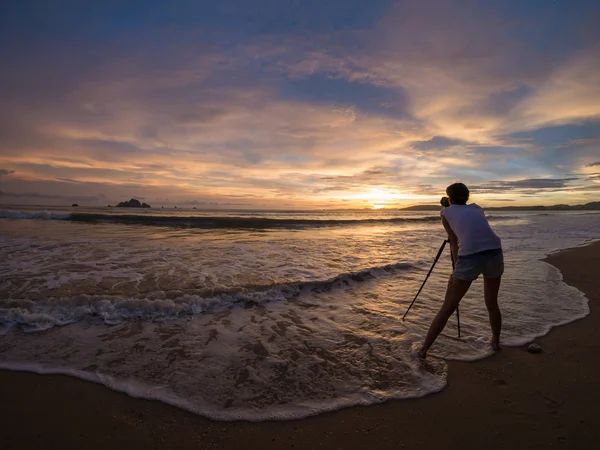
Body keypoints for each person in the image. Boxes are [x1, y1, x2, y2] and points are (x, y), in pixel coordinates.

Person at [417, 182, 503, 358]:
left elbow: (454, 241)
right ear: (468, 196)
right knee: (491, 303)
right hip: (495, 251)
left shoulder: (445, 212)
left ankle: (423, 349)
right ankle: (495, 341)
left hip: (470, 257)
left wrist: (456, 269)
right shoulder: (477, 208)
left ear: (449, 197)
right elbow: (467, 220)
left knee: (447, 308)